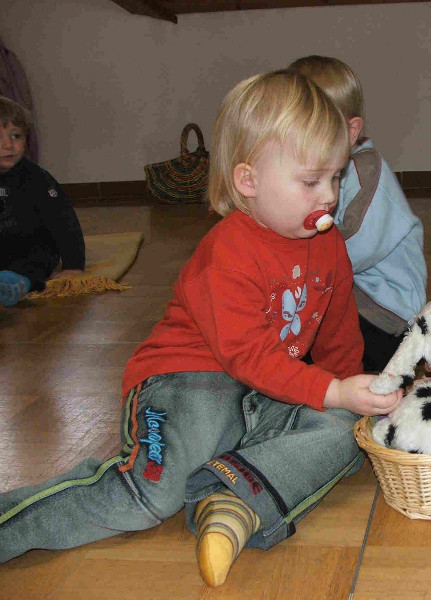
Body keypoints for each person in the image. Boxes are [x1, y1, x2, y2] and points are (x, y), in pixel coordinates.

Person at [0, 71, 402, 586]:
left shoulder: (327, 246)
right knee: (149, 499)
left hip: (260, 391)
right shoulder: (228, 252)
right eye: (310, 181)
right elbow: (247, 358)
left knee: (349, 431)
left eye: (336, 178)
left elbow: (339, 333)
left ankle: (231, 494)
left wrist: (344, 391)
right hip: (186, 384)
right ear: (248, 181)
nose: (328, 196)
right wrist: (331, 389)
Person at [286, 56, 427, 372]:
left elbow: (349, 251)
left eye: (316, 131)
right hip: (345, 296)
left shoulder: (365, 170)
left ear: (351, 131)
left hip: (385, 314)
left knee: (304, 346)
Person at [0, 95, 85, 307]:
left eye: (16, 136)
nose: (8, 145)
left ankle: (15, 285)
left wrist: (73, 265)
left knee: (33, 263)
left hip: (32, 248)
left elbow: (64, 221)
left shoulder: (36, 178)